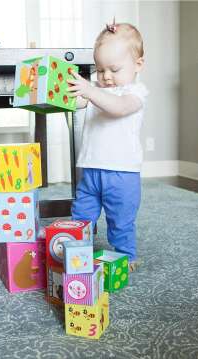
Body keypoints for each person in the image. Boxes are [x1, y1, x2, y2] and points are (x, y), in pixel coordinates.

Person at [67, 21, 148, 272]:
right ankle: (76, 252)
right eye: (100, 70)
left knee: (120, 220)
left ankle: (126, 255)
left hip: (121, 174)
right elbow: (80, 103)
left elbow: (118, 108)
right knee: (81, 214)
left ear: (138, 65)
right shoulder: (97, 90)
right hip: (90, 170)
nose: (106, 76)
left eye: (114, 69)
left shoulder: (135, 92)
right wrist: (65, 94)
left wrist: (91, 90)